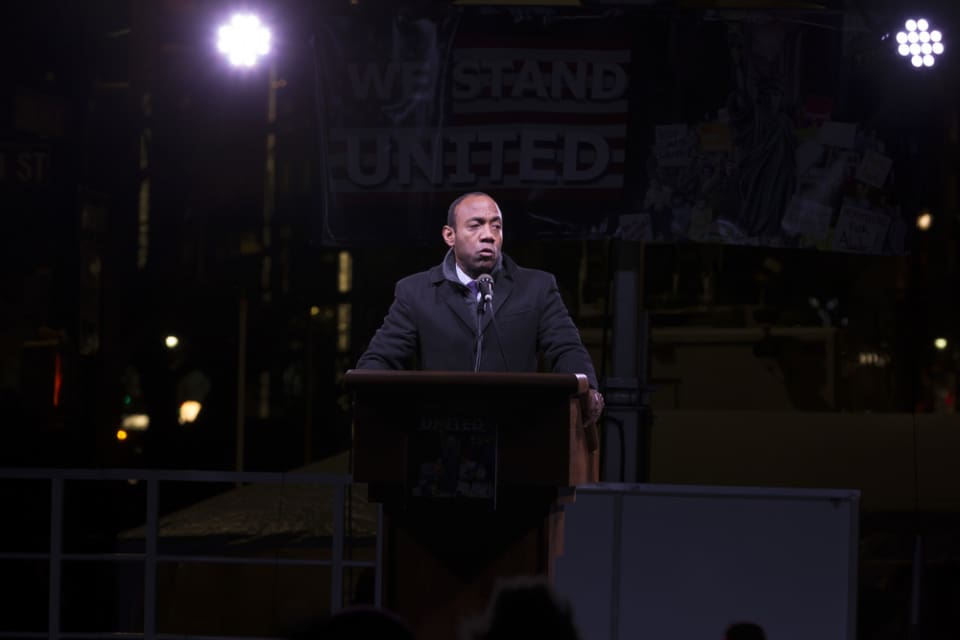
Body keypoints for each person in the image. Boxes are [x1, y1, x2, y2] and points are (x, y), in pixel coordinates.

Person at [355, 192, 604, 424]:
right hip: (438, 433)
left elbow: (566, 348)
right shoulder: (415, 292)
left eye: (496, 226)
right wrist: (366, 392)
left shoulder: (537, 288)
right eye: (475, 225)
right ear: (449, 236)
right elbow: (381, 358)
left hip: (517, 432)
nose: (488, 235)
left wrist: (587, 390)